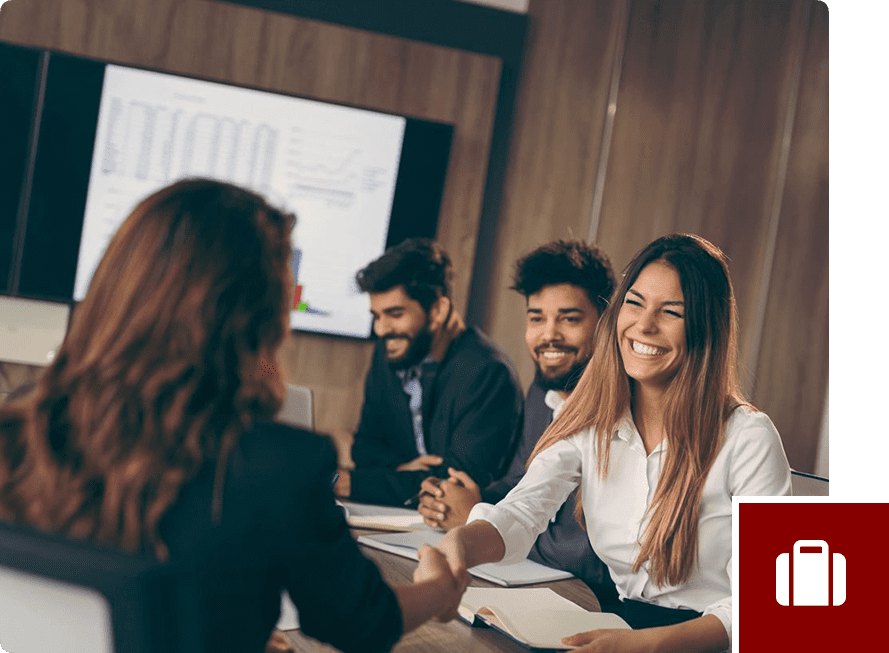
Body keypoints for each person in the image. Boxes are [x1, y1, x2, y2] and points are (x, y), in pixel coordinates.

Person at [0, 179, 466, 653]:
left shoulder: (18, 423)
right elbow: (362, 624)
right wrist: (441, 590)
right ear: (258, 317)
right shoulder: (278, 464)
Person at [433, 234, 791, 653]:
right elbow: (523, 512)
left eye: (671, 312)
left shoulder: (748, 437)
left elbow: (773, 600)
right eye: (634, 303)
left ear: (705, 328)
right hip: (621, 622)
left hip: (709, 641)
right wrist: (456, 546)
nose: (643, 325)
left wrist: (644, 646)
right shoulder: (592, 418)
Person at [417, 239, 622, 612]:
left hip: (596, 602)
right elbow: (523, 483)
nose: (549, 335)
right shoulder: (544, 390)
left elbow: (589, 553)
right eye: (536, 318)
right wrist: (467, 500)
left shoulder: (621, 408)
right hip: (544, 588)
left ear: (606, 322)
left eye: (569, 318)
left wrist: (480, 516)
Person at [335, 238, 523, 507]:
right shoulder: (388, 352)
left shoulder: (489, 373)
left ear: (438, 310)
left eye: (395, 314)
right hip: (399, 517)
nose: (381, 329)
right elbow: (365, 448)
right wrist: (403, 470)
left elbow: (458, 484)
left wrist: (356, 483)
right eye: (376, 316)